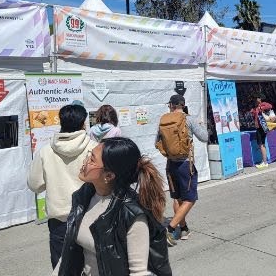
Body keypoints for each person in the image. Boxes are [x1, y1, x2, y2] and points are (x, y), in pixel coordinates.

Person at [57, 137, 171, 276]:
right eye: (89, 155)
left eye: (92, 160)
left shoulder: (131, 213)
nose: (85, 161)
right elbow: (68, 255)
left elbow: (139, 273)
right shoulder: (83, 197)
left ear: (109, 175)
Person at [27, 103, 92, 267]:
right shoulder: (94, 148)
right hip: (90, 215)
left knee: (62, 267)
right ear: (83, 123)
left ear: (60, 122)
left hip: (59, 219)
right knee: (93, 266)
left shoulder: (46, 151)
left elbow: (35, 185)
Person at [155, 94, 208, 245]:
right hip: (185, 164)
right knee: (190, 199)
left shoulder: (164, 120)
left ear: (171, 105)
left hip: (170, 165)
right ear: (183, 105)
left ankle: (184, 228)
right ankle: (170, 229)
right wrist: (202, 125)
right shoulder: (189, 119)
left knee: (177, 198)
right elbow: (204, 137)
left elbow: (156, 143)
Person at [249, 97, 276, 169]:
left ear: (260, 99)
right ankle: (264, 161)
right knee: (262, 145)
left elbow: (270, 106)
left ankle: (264, 162)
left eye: (258, 99)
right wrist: (253, 112)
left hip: (262, 128)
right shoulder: (255, 108)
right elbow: (255, 117)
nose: (257, 100)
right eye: (256, 99)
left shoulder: (263, 104)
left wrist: (261, 107)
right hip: (259, 128)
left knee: (261, 145)